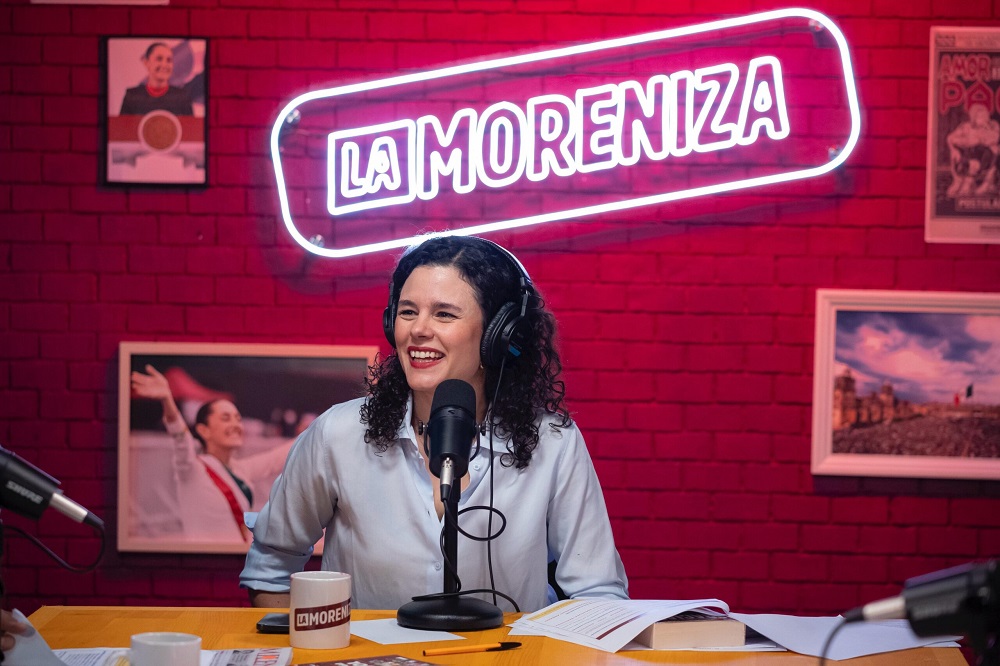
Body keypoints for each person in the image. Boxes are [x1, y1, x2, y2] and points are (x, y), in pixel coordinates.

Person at [240, 236, 628, 612]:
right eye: (408, 311)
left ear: (500, 335)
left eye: (444, 314)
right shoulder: (338, 434)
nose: (418, 329)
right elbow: (270, 570)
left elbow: (596, 592)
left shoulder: (554, 442)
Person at [130, 366, 293, 543]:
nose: (235, 425)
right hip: (204, 557)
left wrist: (315, 431)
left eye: (237, 418)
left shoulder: (241, 469)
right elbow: (180, 438)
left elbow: (279, 457)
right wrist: (167, 400)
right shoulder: (192, 469)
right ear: (204, 430)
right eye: (226, 418)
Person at [119, 42, 194, 116]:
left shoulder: (182, 98)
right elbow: (122, 124)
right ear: (146, 62)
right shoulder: (132, 97)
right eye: (159, 59)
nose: (164, 65)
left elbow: (190, 124)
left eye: (169, 60)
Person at [945, 103, 1000, 198]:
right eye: (980, 116)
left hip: (986, 156)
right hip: (968, 154)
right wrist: (954, 149)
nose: (984, 118)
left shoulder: (993, 125)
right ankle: (958, 180)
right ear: (973, 117)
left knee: (994, 148)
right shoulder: (966, 126)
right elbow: (950, 138)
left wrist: (980, 137)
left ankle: (981, 182)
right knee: (956, 153)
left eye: (985, 115)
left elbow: (994, 139)